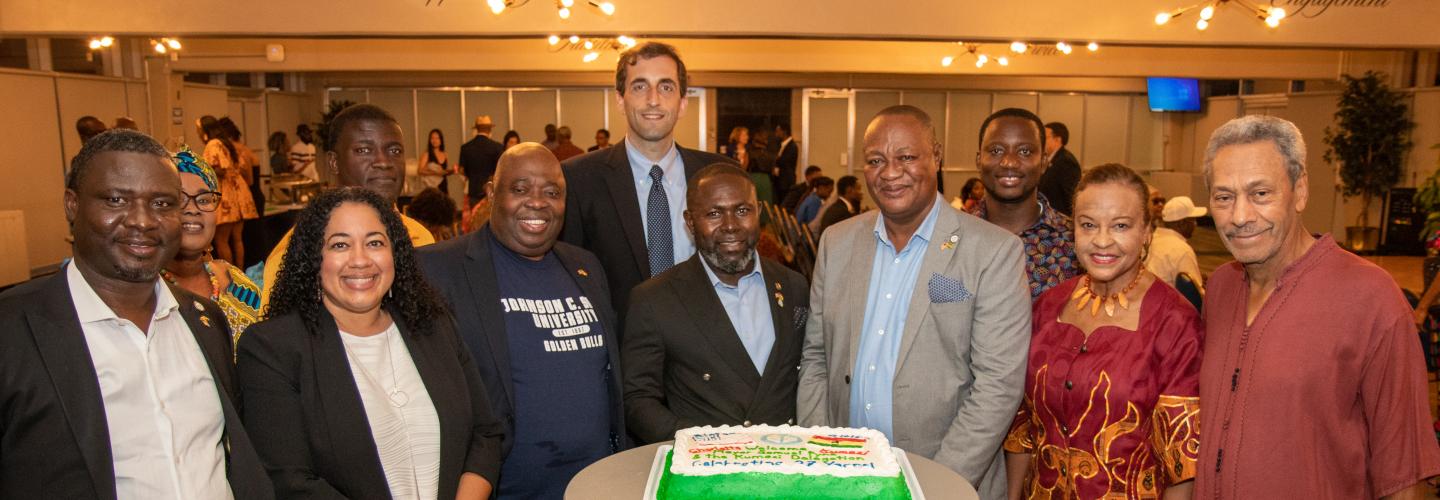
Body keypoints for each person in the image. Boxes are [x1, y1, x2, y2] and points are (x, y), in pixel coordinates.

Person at [0, 129, 272, 499]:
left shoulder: (204, 320)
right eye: (116, 200)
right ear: (72, 205)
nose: (142, 221)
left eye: (162, 203)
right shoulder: (14, 330)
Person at [1197, 115, 1440, 498]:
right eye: (1224, 197)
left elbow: (1404, 472)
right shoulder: (1221, 288)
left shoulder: (1369, 296)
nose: (1240, 217)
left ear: (1301, 191)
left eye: (1261, 194)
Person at [798, 105, 1031, 500]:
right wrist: (821, 458)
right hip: (845, 478)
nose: (890, 172)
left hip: (944, 480)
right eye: (876, 160)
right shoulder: (836, 243)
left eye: (906, 157)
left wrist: (936, 486)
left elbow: (998, 386)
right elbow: (817, 358)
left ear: (936, 157)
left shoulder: (994, 252)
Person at [239, 187, 504, 500]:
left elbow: (485, 433)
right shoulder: (271, 350)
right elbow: (289, 483)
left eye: (375, 242)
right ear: (313, 257)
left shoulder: (434, 326)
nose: (360, 260)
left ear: (396, 254)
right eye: (340, 244)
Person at [419, 144, 628, 499]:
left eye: (552, 192)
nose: (537, 202)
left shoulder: (586, 266)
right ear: (491, 192)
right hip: (502, 489)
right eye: (520, 189)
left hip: (596, 484)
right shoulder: (439, 269)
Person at [1003, 163, 1201, 499]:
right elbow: (1023, 429)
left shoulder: (1175, 322)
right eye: (1088, 225)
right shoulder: (1048, 307)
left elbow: (1182, 462)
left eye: (1121, 225)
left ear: (1147, 232)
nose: (1102, 241)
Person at [622, 164, 810, 444]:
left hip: (785, 465)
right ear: (690, 221)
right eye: (714, 214)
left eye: (743, 211)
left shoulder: (794, 286)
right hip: (704, 472)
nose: (731, 225)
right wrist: (695, 442)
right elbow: (637, 399)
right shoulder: (655, 299)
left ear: (759, 211)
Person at [560, 41, 734, 319]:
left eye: (666, 87)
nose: (653, 99)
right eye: (640, 86)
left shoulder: (722, 174)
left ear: (683, 102)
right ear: (620, 99)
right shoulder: (579, 179)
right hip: (622, 350)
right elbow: (568, 278)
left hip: (710, 348)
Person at [260, 104, 436, 307]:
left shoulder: (420, 236)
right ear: (334, 162)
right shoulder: (301, 248)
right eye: (364, 150)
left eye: (394, 150)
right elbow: (281, 331)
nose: (383, 162)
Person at [969, 108, 1078, 298]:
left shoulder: (1075, 242)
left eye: (1024, 151)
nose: (1009, 162)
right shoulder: (953, 239)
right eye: (996, 150)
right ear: (979, 160)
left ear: (1044, 162)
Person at [162, 147, 262, 344]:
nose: (193, 209)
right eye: (179, 199)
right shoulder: (147, 293)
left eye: (204, 199)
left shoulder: (238, 283)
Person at [199, 116, 259, 268]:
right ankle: (240, 273)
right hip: (238, 193)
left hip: (226, 196)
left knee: (221, 240)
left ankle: (229, 277)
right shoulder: (227, 143)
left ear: (205, 130)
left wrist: (203, 169)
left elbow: (220, 169)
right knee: (237, 239)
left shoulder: (213, 144)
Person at [220, 117, 266, 249]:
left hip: (250, 198)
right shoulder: (244, 147)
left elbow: (249, 180)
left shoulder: (238, 150)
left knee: (249, 240)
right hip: (254, 196)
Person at [1145, 195, 1206, 292]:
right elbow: (1194, 295)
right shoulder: (1182, 250)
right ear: (1181, 223)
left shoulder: (1151, 240)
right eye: (1193, 220)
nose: (1196, 224)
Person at [1036, 122, 1081, 216]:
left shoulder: (1066, 161)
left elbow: (1071, 196)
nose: (1041, 141)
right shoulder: (1051, 159)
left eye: (1045, 137)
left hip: (1059, 219)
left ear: (1057, 140)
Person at [460, 116, 504, 208]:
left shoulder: (466, 148)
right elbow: (501, 170)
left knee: (475, 218)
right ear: (489, 129)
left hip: (473, 191)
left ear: (476, 129)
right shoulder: (497, 147)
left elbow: (462, 171)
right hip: (491, 190)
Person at [419, 128, 454, 194]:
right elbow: (420, 171)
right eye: (432, 138)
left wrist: (451, 171)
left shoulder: (445, 154)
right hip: (432, 188)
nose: (434, 140)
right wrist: (436, 173)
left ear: (441, 140)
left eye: (437, 138)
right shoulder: (427, 154)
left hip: (444, 187)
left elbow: (444, 171)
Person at [774, 123, 800, 206]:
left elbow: (784, 161)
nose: (776, 133)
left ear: (784, 131)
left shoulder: (792, 146)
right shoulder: (780, 145)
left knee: (785, 204)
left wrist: (775, 159)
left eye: (778, 131)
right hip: (780, 180)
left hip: (786, 181)